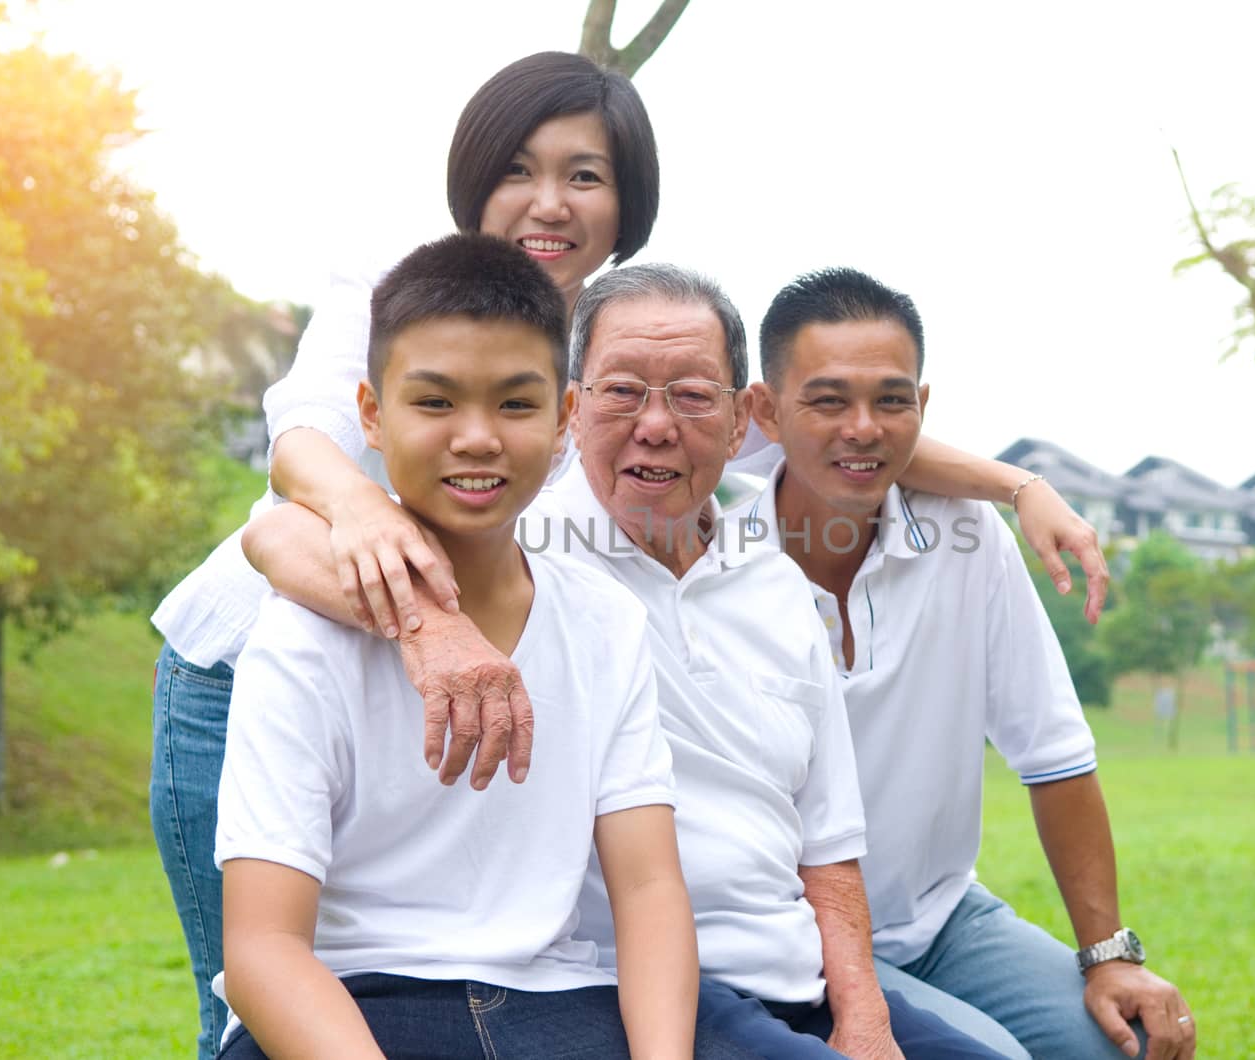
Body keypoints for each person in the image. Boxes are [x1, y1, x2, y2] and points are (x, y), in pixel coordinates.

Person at [150, 51, 1107, 1057]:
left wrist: (1016, 484)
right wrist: (424, 604)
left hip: (472, 700)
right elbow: (286, 502)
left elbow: (803, 420)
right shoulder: (403, 295)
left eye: (585, 175)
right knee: (258, 1013)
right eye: (517, 168)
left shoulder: (614, 347)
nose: (547, 202)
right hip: (257, 657)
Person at [246, 265, 1006, 1058]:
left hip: (789, 972)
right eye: (623, 391)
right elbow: (276, 538)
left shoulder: (772, 582)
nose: (656, 425)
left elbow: (828, 840)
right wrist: (431, 623)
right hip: (638, 988)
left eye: (691, 394)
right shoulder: (516, 523)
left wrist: (866, 1017)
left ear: (744, 414)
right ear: (575, 409)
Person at [216, 235, 710, 1058]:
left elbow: (651, 886)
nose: (477, 438)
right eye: (436, 403)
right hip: (349, 1004)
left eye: (516, 404)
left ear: (565, 417)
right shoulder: (299, 638)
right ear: (370, 414)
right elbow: (264, 949)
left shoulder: (605, 623)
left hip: (554, 1002)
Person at [737, 267, 1196, 1059]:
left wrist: (1110, 956)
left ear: (923, 407)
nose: (862, 427)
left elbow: (1053, 754)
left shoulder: (968, 538)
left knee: (1116, 1045)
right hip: (786, 939)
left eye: (891, 400)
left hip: (942, 918)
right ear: (765, 413)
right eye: (827, 400)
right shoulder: (712, 555)